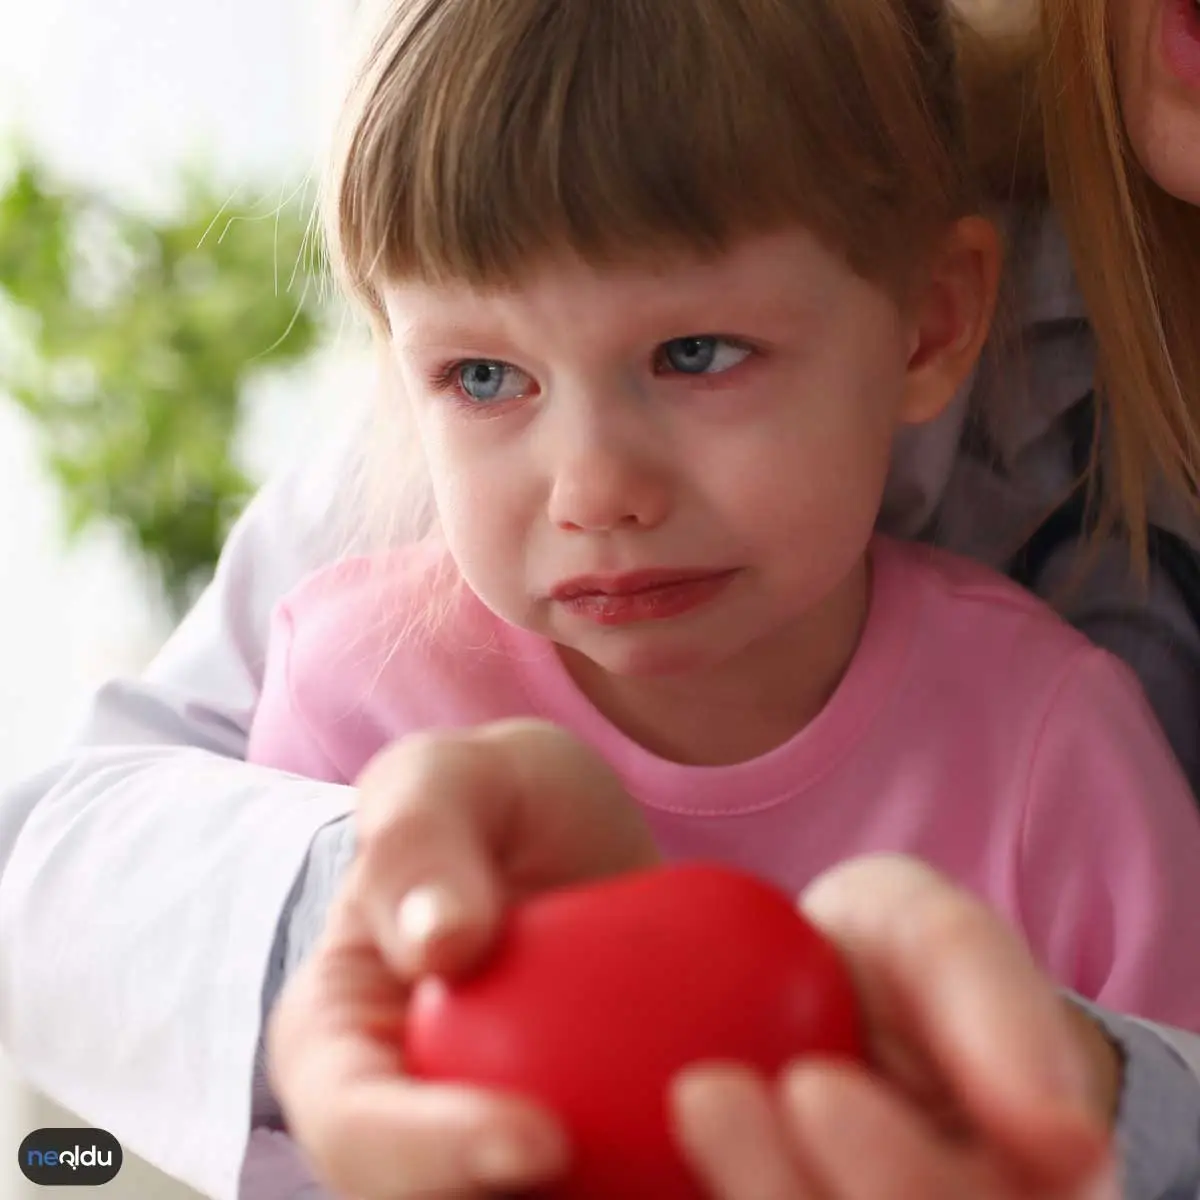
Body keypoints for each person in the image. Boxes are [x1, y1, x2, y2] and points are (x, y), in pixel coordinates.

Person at [0, 0, 1198, 1199]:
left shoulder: (1059, 744)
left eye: (696, 355)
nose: (594, 491)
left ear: (933, 324)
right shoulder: (347, 690)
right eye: (481, 376)